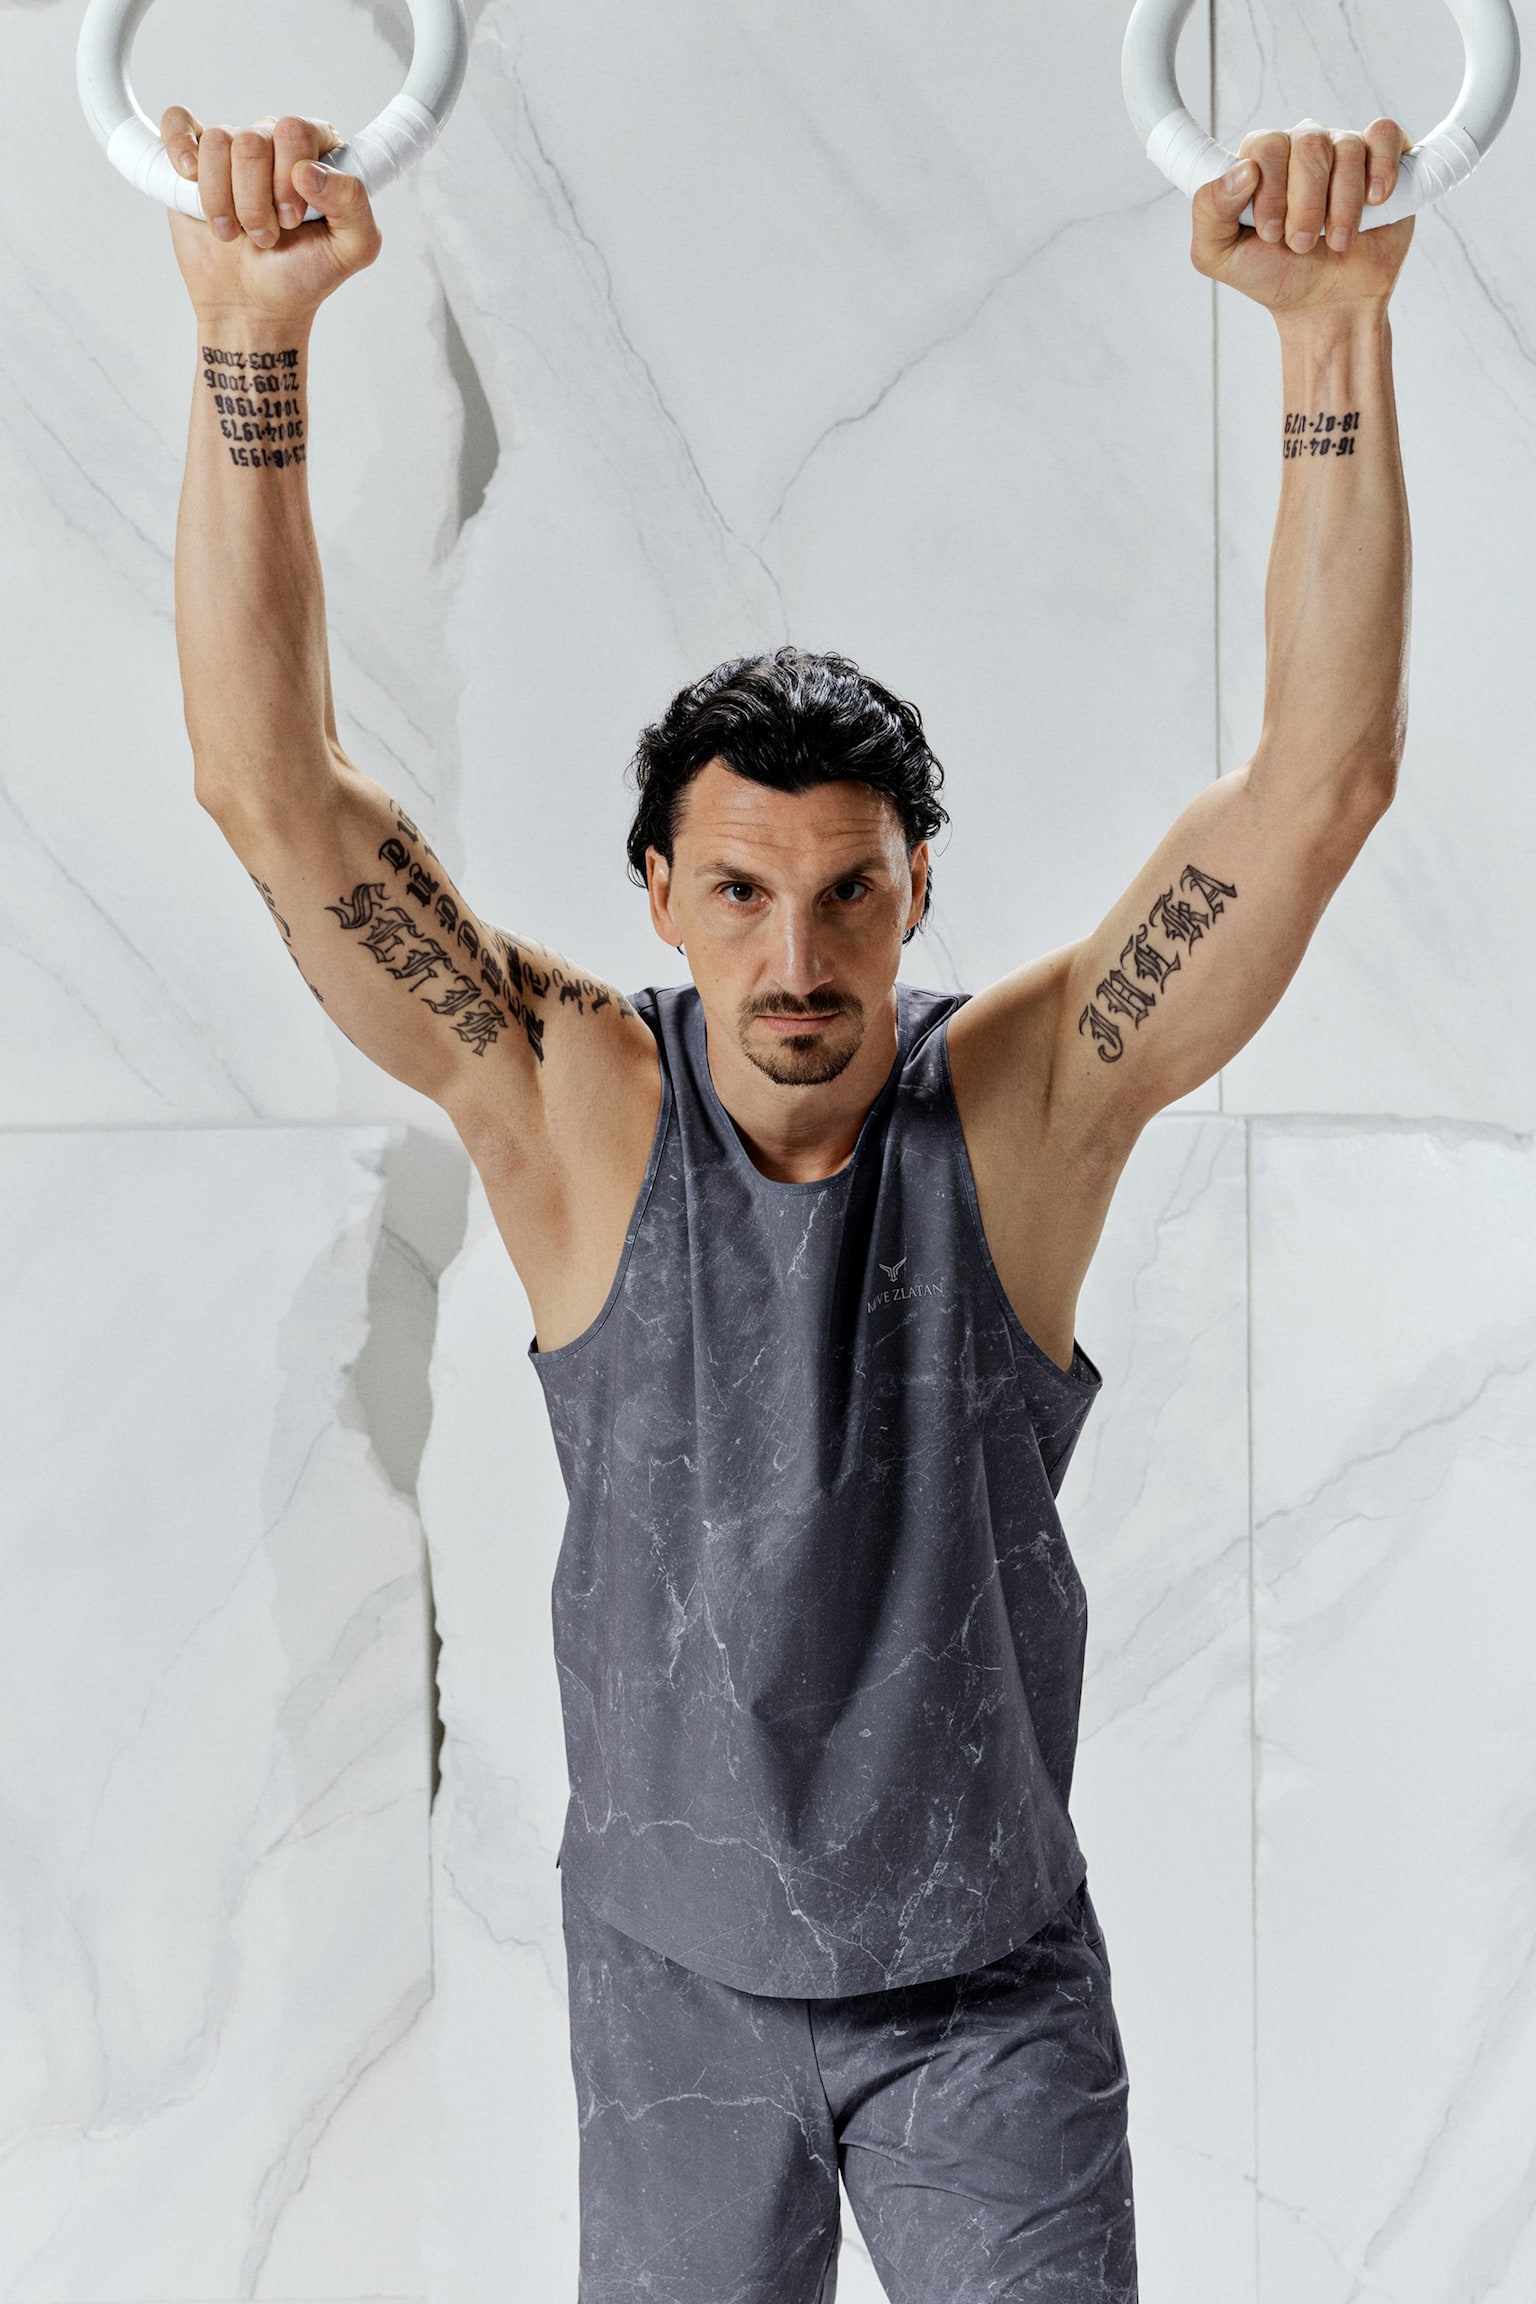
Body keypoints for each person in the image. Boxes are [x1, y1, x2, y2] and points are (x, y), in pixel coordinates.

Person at [160, 95, 1414, 2304]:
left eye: (849, 894)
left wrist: (1331, 342)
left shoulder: (1025, 1109)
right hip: (677, 1996)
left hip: (982, 1995)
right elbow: (273, 795)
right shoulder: (569, 1103)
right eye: (740, 891)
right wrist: (249, 345)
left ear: (920, 893)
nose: (797, 956)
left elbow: (1316, 794)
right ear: (659, 892)